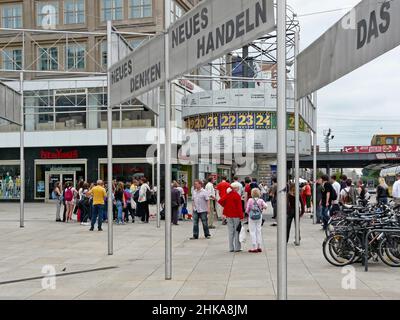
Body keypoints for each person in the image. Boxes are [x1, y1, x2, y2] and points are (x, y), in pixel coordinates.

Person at [219, 183, 244, 252]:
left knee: (230, 231)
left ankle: (231, 248)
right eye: (238, 188)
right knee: (236, 231)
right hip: (236, 215)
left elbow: (220, 201)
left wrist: (226, 206)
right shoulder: (237, 196)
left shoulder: (228, 195)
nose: (238, 189)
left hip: (228, 215)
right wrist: (241, 216)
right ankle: (237, 247)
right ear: (235, 188)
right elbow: (239, 207)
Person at [246, 188, 267, 253]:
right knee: (258, 230)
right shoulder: (261, 200)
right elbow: (266, 206)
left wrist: (248, 213)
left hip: (251, 217)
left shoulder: (250, 200)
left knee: (252, 231)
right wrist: (262, 208)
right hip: (259, 216)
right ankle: (259, 246)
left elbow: (247, 209)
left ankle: (254, 247)